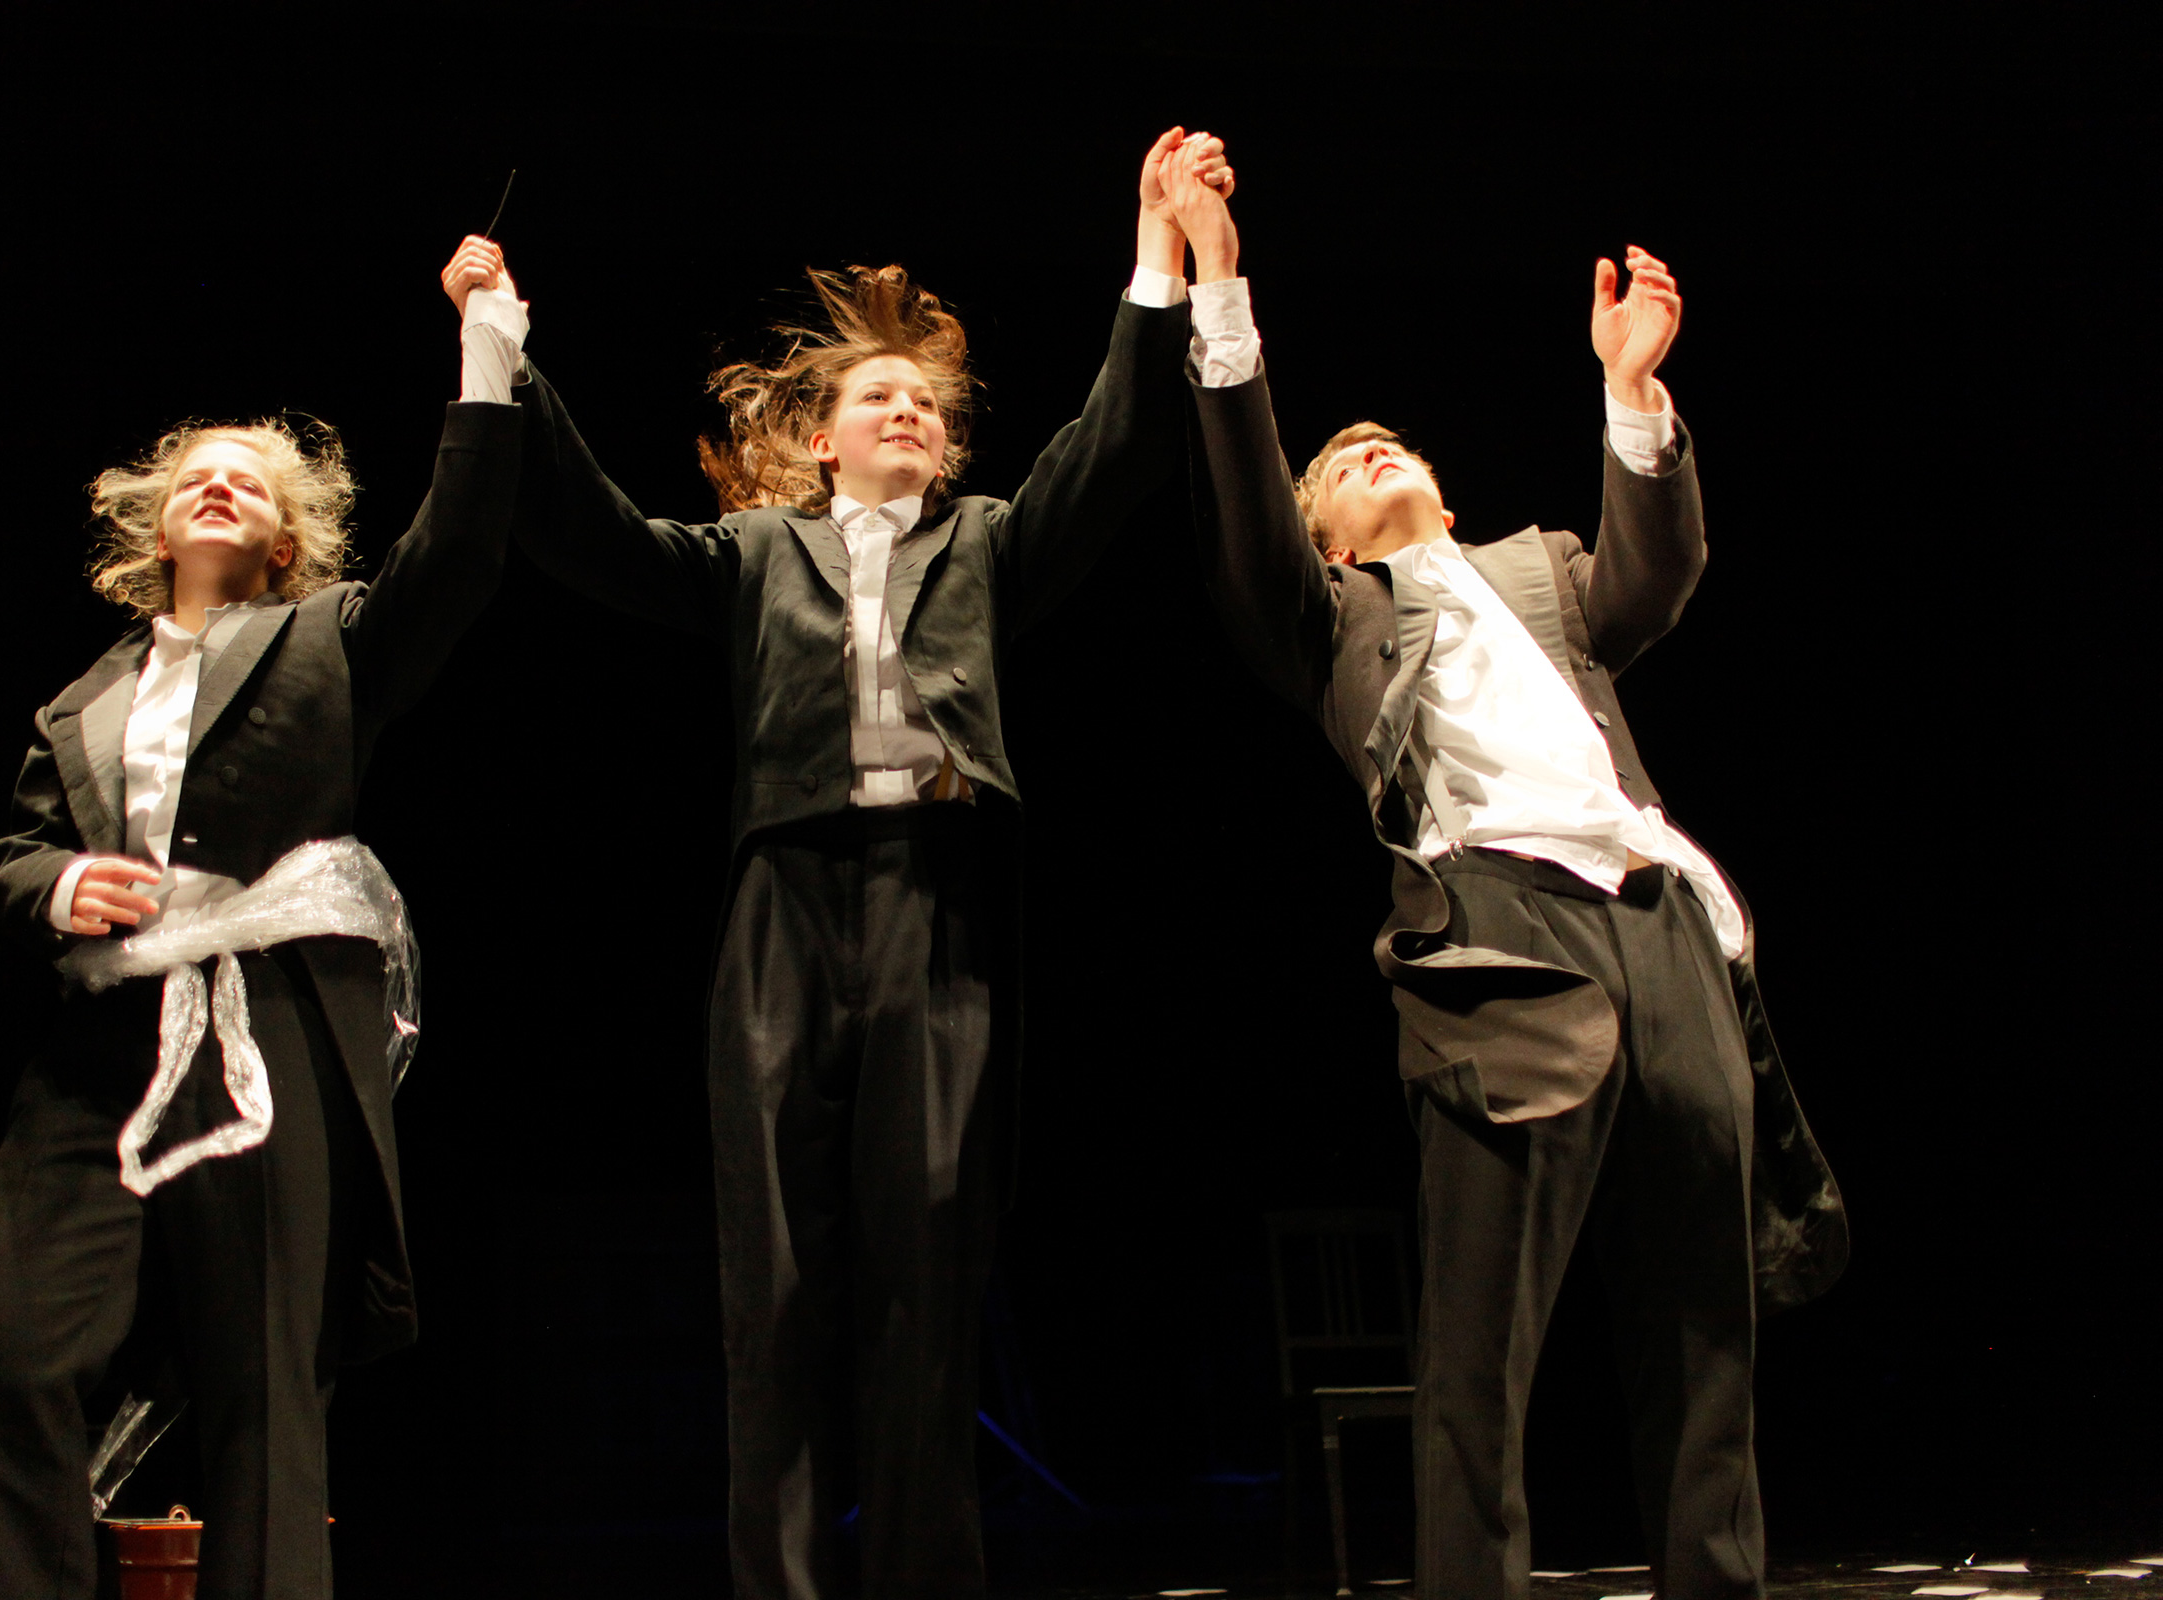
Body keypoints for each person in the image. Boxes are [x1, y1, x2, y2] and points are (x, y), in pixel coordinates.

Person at [503, 129, 1228, 1600]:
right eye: (876, 397)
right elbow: (591, 536)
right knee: (770, 1276)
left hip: (936, 900)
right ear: (820, 440)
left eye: (927, 404)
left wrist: (1157, 258)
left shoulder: (993, 542)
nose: (907, 411)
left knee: (927, 1265)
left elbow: (1115, 448)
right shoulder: (754, 555)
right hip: (785, 901)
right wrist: (500, 354)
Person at [1151, 148, 1846, 1598]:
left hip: (1661, 921)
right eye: (1341, 466)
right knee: (1484, 1352)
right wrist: (1219, 280)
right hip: (1498, 936)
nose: (1370, 452)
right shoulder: (1325, 616)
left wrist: (1632, 393)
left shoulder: (1545, 574)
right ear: (1324, 541)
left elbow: (1657, 577)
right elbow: (1245, 512)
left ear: (1448, 497)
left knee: (1704, 1330)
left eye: (1388, 445)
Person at [0, 237, 531, 1599]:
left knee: (265, 1391)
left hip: (265, 1029)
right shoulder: (79, 702)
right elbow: (8, 858)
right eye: (197, 476)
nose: (221, 484)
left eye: (252, 482)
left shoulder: (331, 638)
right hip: (98, 1053)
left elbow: (460, 550)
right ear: (156, 530)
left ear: (284, 539)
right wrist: (58, 887)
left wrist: (487, 345)